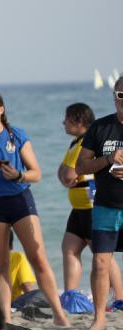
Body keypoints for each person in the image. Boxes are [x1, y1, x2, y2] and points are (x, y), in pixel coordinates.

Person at [0, 88, 70, 327]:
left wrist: (17, 174)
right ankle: (6, 320)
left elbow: (36, 173)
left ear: (1, 109)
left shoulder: (16, 135)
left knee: (38, 257)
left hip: (19, 199)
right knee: (0, 264)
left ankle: (60, 315)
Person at [58, 102, 123, 314]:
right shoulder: (75, 143)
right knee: (69, 248)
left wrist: (68, 175)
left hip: (89, 205)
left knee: (102, 254)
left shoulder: (85, 143)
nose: (63, 123)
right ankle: (71, 296)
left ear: (78, 120)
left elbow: (68, 175)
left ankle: (119, 298)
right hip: (77, 207)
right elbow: (64, 173)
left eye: (67, 119)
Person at [75, 77, 123, 330]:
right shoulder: (100, 128)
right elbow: (80, 167)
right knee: (100, 263)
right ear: (114, 96)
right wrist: (107, 160)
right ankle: (100, 318)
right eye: (120, 95)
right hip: (106, 205)